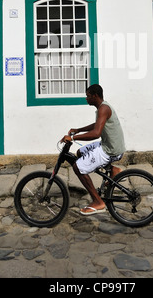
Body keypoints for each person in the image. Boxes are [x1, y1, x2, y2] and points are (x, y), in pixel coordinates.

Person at [62, 84, 125, 216]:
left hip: (110, 149)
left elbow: (96, 132)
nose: (86, 98)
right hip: (109, 144)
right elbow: (97, 125)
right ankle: (113, 170)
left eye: (88, 96)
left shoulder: (104, 109)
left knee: (78, 168)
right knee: (80, 153)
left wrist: (73, 138)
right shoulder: (102, 107)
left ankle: (98, 202)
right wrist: (78, 130)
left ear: (95, 96)